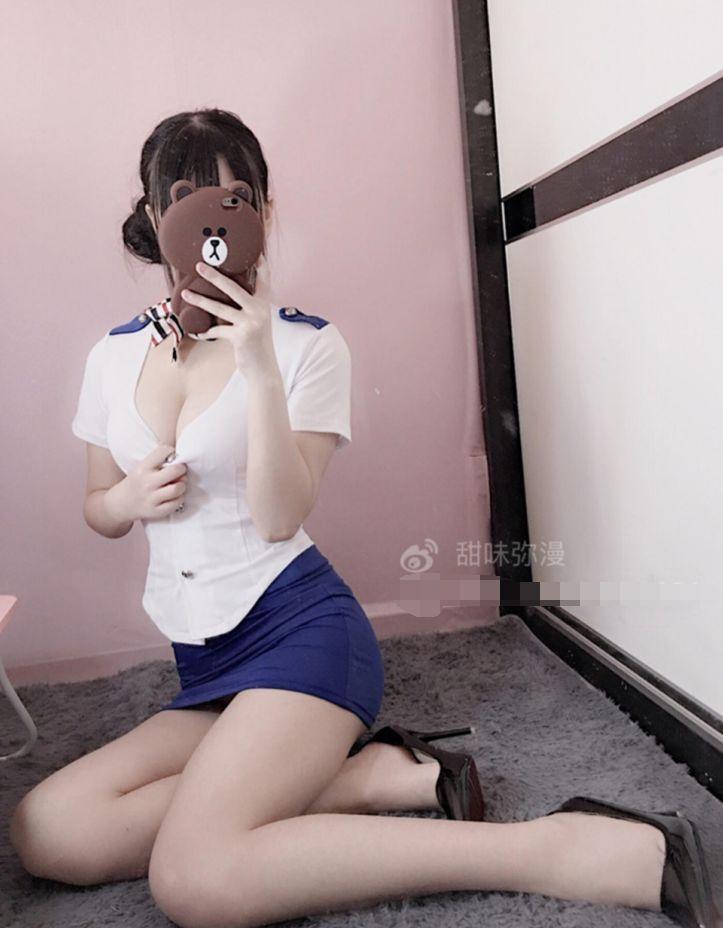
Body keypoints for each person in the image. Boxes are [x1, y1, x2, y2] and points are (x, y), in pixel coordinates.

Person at [9, 108, 720, 928]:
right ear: (154, 215)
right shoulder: (111, 355)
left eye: (236, 200)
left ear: (265, 211)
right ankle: (374, 776)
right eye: (189, 203)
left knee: (196, 878)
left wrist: (257, 365)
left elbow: (279, 518)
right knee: (50, 830)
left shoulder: (308, 346)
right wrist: (125, 502)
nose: (215, 228)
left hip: (300, 637)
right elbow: (98, 508)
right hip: (205, 668)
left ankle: (562, 844)